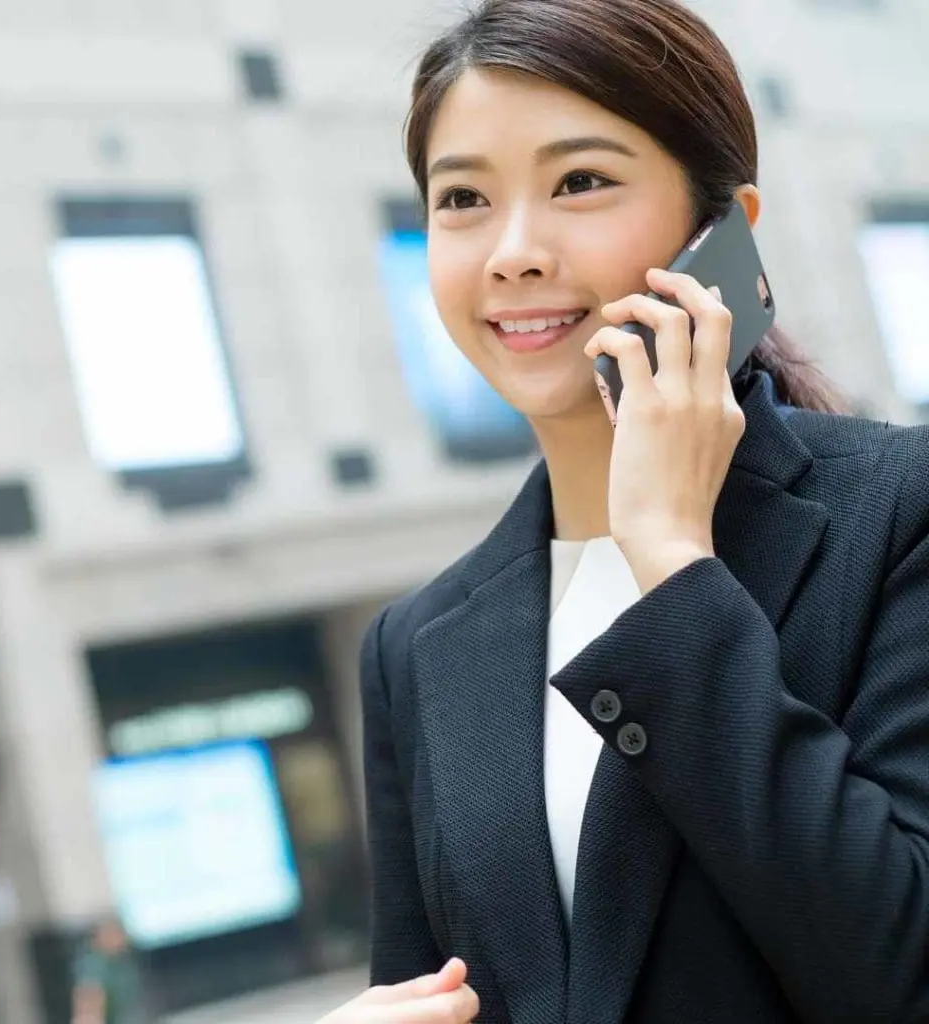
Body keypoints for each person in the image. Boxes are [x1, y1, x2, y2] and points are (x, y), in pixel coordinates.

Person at [320, 0, 929, 1021]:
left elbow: (901, 969)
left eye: (580, 182)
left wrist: (673, 562)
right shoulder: (414, 647)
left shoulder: (898, 516)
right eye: (462, 198)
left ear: (724, 232)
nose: (512, 251)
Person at [71, 917, 151, 1024]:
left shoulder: (124, 962)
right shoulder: (93, 967)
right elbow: (89, 1010)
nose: (120, 938)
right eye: (112, 934)